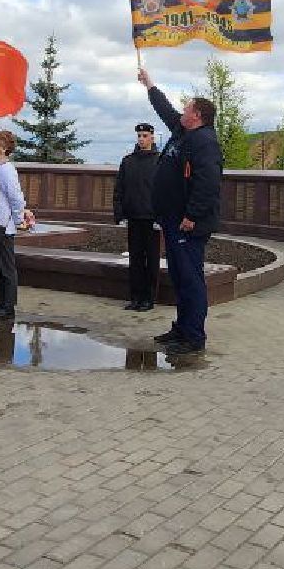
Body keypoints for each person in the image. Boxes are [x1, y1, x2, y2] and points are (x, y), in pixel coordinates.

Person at [134, 70, 222, 356]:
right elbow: (165, 110)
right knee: (179, 275)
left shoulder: (204, 142)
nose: (182, 111)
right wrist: (150, 85)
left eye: (187, 108)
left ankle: (193, 336)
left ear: (196, 115)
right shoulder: (183, 132)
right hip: (173, 219)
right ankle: (181, 328)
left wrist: (193, 216)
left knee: (190, 278)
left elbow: (208, 183)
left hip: (188, 224)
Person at [0, 130, 33, 320]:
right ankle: (1, 304)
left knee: (6, 269)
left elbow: (15, 198)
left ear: (3, 149)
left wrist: (19, 219)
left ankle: (8, 307)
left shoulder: (6, 170)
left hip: (4, 226)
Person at [112, 121, 161, 311]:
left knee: (152, 260)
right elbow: (120, 190)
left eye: (145, 136)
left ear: (152, 137)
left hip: (152, 219)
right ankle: (135, 297)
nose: (141, 139)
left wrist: (161, 218)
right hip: (133, 217)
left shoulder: (160, 160)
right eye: (139, 136)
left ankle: (149, 299)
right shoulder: (128, 161)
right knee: (136, 259)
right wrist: (120, 214)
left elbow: (164, 192)